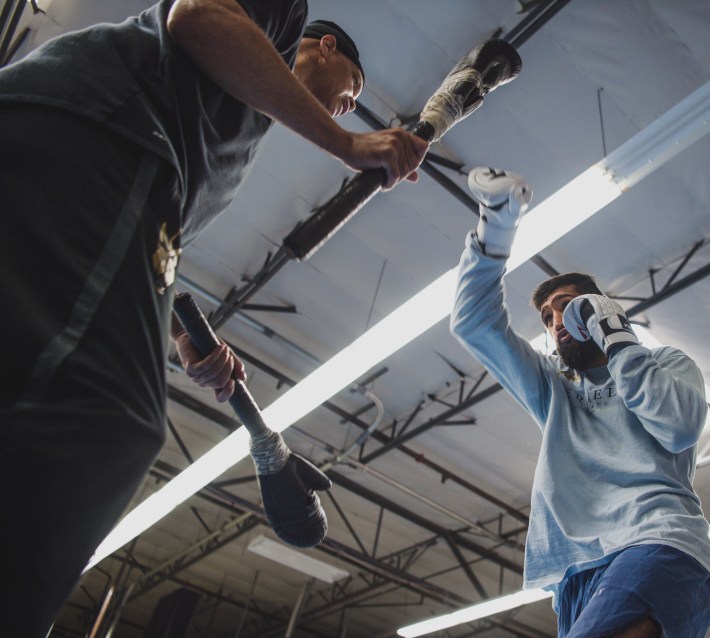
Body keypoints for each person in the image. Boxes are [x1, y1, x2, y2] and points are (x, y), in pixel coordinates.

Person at [0, 1, 427, 634]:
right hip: (90, 133)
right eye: (353, 90)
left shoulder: (235, 137)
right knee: (102, 413)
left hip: (73, 155)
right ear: (327, 47)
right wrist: (344, 142)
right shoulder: (280, 19)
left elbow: (147, 236)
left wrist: (178, 328)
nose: (349, 104)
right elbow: (195, 15)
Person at [450, 168, 710, 637]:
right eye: (547, 316)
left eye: (568, 306)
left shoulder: (665, 362)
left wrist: (615, 335)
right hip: (575, 576)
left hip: (658, 541)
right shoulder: (553, 388)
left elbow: (678, 427)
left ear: (598, 308)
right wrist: (496, 225)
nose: (555, 320)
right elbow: (474, 323)